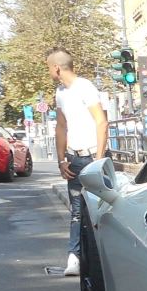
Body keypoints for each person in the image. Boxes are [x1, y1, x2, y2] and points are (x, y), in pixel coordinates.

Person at [47, 48, 109, 277]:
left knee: (101, 209)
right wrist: (61, 159)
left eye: (48, 68)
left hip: (92, 157)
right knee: (76, 211)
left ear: (56, 68)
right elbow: (61, 126)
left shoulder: (85, 87)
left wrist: (99, 159)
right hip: (73, 158)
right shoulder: (60, 92)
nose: (49, 72)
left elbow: (101, 122)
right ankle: (74, 258)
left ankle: (103, 258)